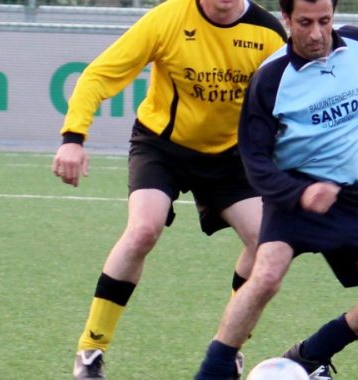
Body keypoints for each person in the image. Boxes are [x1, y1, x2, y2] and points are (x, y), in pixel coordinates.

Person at [50, 0, 286, 378]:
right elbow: (98, 75)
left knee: (266, 243)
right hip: (162, 146)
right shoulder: (168, 18)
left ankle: (230, 346)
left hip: (230, 155)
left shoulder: (268, 33)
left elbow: (292, 103)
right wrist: (73, 137)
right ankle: (91, 350)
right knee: (144, 229)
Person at [194, 0, 358, 378]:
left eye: (324, 21)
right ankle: (215, 369)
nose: (316, 33)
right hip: (291, 195)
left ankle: (310, 355)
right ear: (286, 19)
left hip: (351, 196)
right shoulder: (270, 78)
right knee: (266, 276)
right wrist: (299, 194)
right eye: (304, 22)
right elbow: (253, 160)